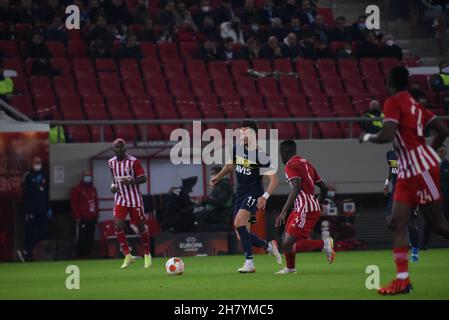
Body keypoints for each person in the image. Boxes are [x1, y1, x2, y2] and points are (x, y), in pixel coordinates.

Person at [359, 66, 449, 295]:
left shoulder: (394, 101)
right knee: (395, 223)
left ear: (390, 82)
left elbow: (387, 135)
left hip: (422, 171)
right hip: (408, 172)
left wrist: (367, 136)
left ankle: (403, 279)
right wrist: (428, 149)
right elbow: (443, 130)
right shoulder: (416, 105)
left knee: (438, 225)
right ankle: (403, 281)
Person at [210, 120, 282, 273]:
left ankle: (249, 263)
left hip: (253, 193)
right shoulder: (237, 148)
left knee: (238, 223)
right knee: (241, 233)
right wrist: (218, 177)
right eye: (241, 132)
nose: (242, 135)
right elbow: (230, 166)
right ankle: (269, 246)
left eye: (246, 132)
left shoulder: (260, 155)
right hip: (240, 193)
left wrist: (265, 196)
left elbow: (274, 180)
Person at [275, 140, 335, 274]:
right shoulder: (306, 163)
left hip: (304, 208)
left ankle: (324, 244)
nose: (281, 158)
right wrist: (317, 202)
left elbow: (296, 187)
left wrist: (284, 211)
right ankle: (290, 268)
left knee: (288, 243)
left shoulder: (290, 164)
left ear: (284, 152)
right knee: (285, 238)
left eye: (280, 154)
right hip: (304, 207)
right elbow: (323, 188)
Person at [108, 138, 152, 269]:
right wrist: (113, 186)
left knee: (140, 227)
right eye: (116, 147)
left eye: (121, 147)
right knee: (117, 225)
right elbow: (113, 178)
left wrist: (131, 182)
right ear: (113, 149)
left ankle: (147, 255)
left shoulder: (133, 161)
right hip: (120, 198)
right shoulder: (111, 162)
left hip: (134, 199)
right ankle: (128, 256)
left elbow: (144, 178)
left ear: (125, 148)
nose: (119, 149)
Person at [384, 148, 420, 262]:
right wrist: (386, 183)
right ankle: (403, 243)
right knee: (389, 220)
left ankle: (414, 250)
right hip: (395, 192)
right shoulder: (389, 153)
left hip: (409, 191)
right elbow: (391, 169)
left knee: (411, 224)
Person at [17, 156, 51, 262]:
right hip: (32, 209)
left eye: (39, 162)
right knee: (31, 231)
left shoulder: (45, 174)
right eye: (36, 162)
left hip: (43, 209)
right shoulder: (28, 175)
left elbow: (46, 192)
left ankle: (32, 253)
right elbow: (25, 193)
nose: (38, 164)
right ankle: (26, 251)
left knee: (42, 233)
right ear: (32, 163)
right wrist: (34, 183)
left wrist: (49, 207)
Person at [422, 144, 449, 249]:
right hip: (434, 200)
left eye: (443, 150)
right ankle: (424, 244)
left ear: (445, 152)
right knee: (429, 222)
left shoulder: (448, 165)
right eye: (439, 150)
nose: (441, 152)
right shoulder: (430, 166)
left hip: (447, 199)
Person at [195, 166, 234, 232]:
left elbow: (220, 202)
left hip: (222, 213)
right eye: (211, 174)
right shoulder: (218, 185)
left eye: (213, 173)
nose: (212, 176)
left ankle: (206, 236)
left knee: (199, 216)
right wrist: (202, 203)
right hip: (217, 211)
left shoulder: (224, 185)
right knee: (197, 213)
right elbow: (212, 201)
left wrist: (206, 200)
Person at [70, 170, 99, 258]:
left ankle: (88, 254)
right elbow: (74, 204)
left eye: (89, 176)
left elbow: (96, 203)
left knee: (90, 237)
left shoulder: (93, 189)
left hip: (92, 218)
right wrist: (77, 216)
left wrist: (96, 215)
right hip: (82, 218)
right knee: (81, 238)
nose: (88, 178)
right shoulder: (77, 189)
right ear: (82, 177)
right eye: (86, 176)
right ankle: (80, 255)